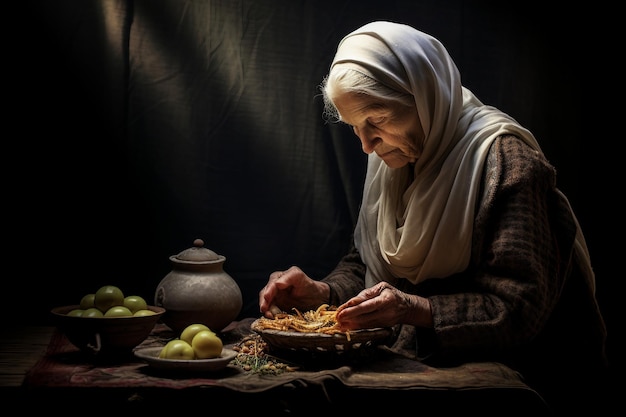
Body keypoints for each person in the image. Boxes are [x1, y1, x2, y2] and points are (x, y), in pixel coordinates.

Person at [258, 21, 608, 412]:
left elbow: (519, 309)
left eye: (376, 121)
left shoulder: (505, 165)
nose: (366, 146)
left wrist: (412, 309)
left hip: (523, 385)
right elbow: (371, 261)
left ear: (425, 97)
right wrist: (323, 293)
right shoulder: (394, 159)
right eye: (355, 128)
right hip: (419, 367)